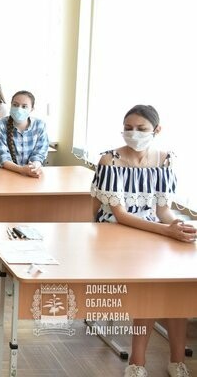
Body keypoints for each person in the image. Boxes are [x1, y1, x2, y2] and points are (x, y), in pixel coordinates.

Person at [91, 105, 194, 377]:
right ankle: (137, 362)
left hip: (152, 231)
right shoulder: (110, 160)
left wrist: (176, 224)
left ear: (157, 130)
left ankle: (177, 361)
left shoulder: (165, 160)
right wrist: (166, 231)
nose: (133, 133)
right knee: (151, 283)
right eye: (128, 128)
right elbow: (121, 215)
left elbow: (162, 210)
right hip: (116, 233)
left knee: (178, 285)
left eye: (141, 128)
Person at [0, 90, 48, 177]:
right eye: (15, 105)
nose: (19, 109)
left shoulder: (40, 125)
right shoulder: (0, 124)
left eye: (24, 106)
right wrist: (22, 170)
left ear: (32, 109)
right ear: (11, 105)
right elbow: (3, 157)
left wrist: (34, 167)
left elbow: (40, 153)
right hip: (6, 174)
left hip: (31, 175)